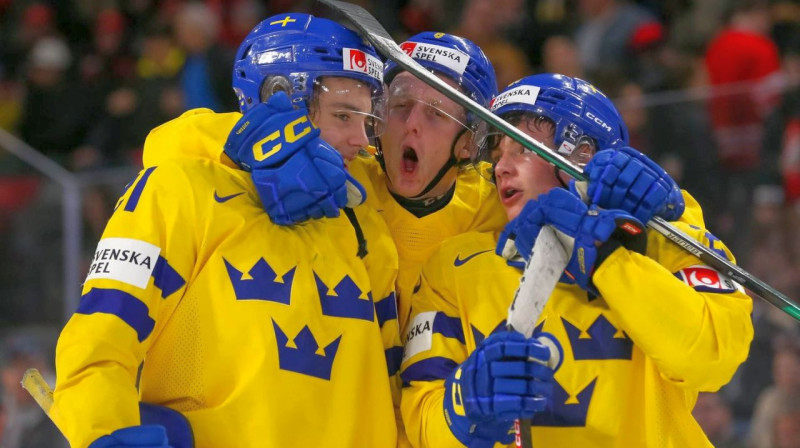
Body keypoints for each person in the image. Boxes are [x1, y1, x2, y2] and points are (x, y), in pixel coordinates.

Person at [51, 13, 401, 447]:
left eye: (367, 120)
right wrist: (103, 433)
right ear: (279, 98)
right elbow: (98, 341)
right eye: (344, 115)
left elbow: (392, 390)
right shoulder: (178, 190)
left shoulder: (363, 221)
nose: (361, 140)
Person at [399, 73, 754, 447]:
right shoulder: (455, 264)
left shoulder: (665, 235)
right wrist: (465, 407)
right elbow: (421, 423)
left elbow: (713, 358)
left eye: (520, 148)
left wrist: (606, 259)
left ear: (581, 155)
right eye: (498, 153)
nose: (501, 167)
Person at [224, 31, 507, 333]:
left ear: (468, 143)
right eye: (400, 106)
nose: (411, 125)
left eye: (435, 114)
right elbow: (195, 140)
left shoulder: (500, 209)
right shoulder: (332, 171)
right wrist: (250, 148)